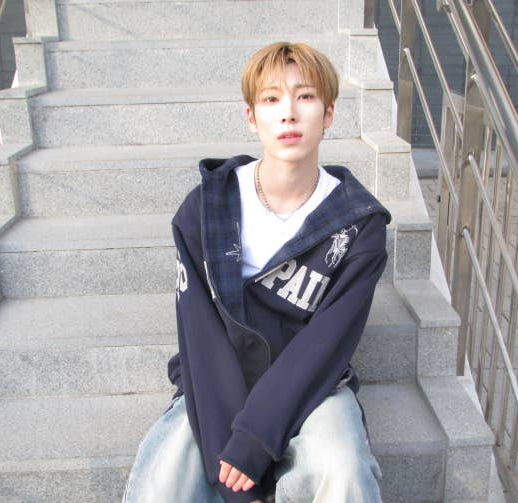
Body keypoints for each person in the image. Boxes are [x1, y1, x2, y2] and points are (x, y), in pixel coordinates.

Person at [123, 41, 391, 503]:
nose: (288, 113)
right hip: (215, 383)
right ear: (251, 117)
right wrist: (236, 473)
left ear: (328, 113)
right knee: (162, 485)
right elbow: (201, 340)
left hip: (312, 386)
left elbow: (325, 343)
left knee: (343, 469)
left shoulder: (358, 224)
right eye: (271, 99)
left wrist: (255, 438)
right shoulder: (204, 210)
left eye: (305, 97)